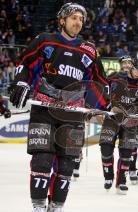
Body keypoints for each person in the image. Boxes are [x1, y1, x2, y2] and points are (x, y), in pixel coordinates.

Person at [9, 2, 108, 212]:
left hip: (72, 115)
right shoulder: (45, 41)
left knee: (66, 167)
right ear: (62, 20)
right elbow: (24, 64)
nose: (78, 22)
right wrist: (21, 82)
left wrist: (102, 105)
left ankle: (56, 207)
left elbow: (100, 83)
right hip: (44, 110)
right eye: (74, 17)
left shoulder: (89, 50)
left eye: (81, 19)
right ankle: (38, 207)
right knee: (42, 161)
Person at [99, 55, 138, 195]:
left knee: (127, 152)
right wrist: (103, 106)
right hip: (112, 118)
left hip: (129, 122)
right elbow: (102, 92)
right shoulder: (115, 77)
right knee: (105, 147)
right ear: (132, 66)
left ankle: (121, 181)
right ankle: (108, 177)